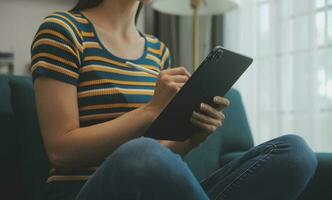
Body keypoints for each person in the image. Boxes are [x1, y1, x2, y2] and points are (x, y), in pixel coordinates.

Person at [31, 0, 317, 199]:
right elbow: (60, 150)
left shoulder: (158, 51)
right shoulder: (62, 29)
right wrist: (150, 111)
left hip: (155, 190)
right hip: (84, 190)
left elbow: (163, 153)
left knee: (294, 152)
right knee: (140, 153)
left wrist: (192, 139)